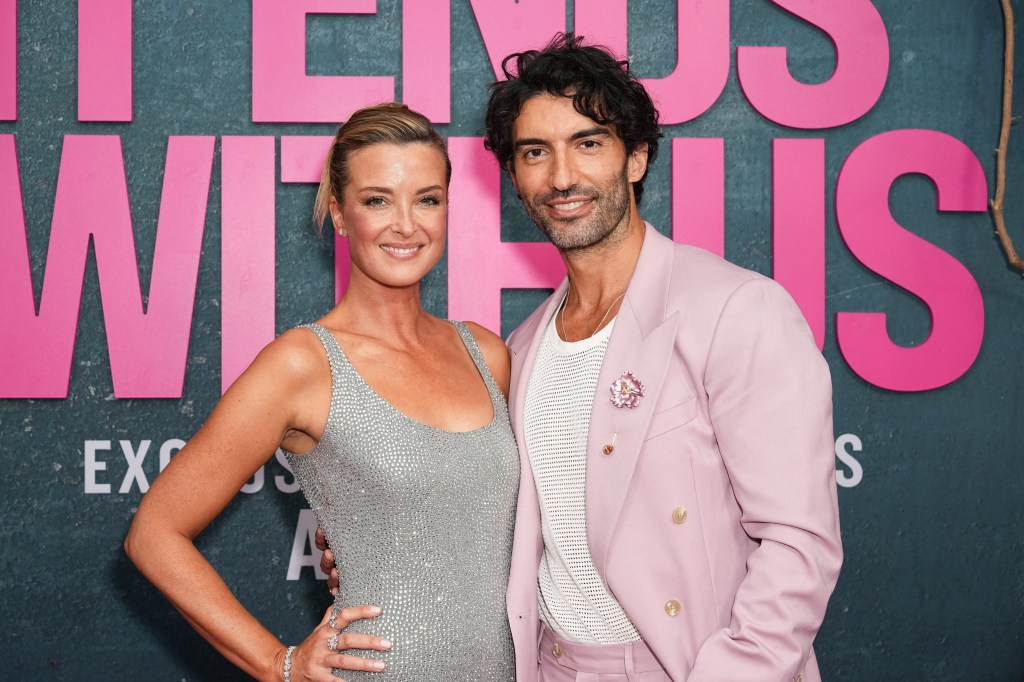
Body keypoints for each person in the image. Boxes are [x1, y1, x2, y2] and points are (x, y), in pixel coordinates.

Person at [325, 33, 843, 681]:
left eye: (588, 143)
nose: (562, 176)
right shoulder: (523, 348)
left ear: (636, 158)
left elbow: (798, 544)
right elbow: (508, 527)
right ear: (513, 177)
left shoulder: (737, 311)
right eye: (535, 153)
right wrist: (387, 530)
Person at [125, 102, 519, 682]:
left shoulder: (486, 354)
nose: (406, 224)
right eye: (376, 199)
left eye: (427, 199)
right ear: (338, 212)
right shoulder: (303, 364)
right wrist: (276, 663)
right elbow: (154, 534)